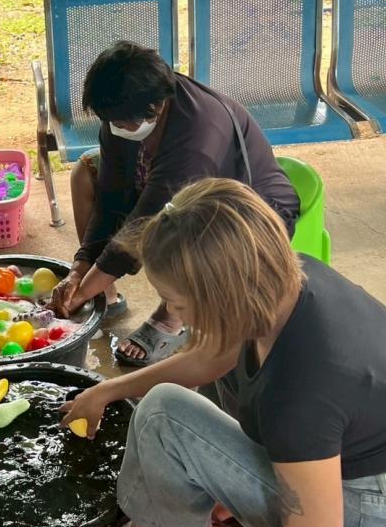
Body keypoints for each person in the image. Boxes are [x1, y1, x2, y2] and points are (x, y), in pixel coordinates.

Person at [62, 179, 386, 527]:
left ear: (222, 297)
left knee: (162, 417)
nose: (173, 316)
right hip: (346, 467)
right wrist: (106, 391)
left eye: (176, 303)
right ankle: (191, 516)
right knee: (179, 401)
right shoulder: (284, 278)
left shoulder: (300, 389)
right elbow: (213, 356)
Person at [50, 42, 300, 366]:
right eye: (109, 121)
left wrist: (82, 291)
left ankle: (172, 315)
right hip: (169, 187)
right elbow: (111, 197)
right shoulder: (124, 105)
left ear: (155, 108)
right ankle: (104, 295)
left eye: (120, 123)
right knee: (85, 174)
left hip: (249, 212)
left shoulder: (197, 134)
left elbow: (145, 225)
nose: (113, 128)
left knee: (189, 232)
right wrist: (79, 269)